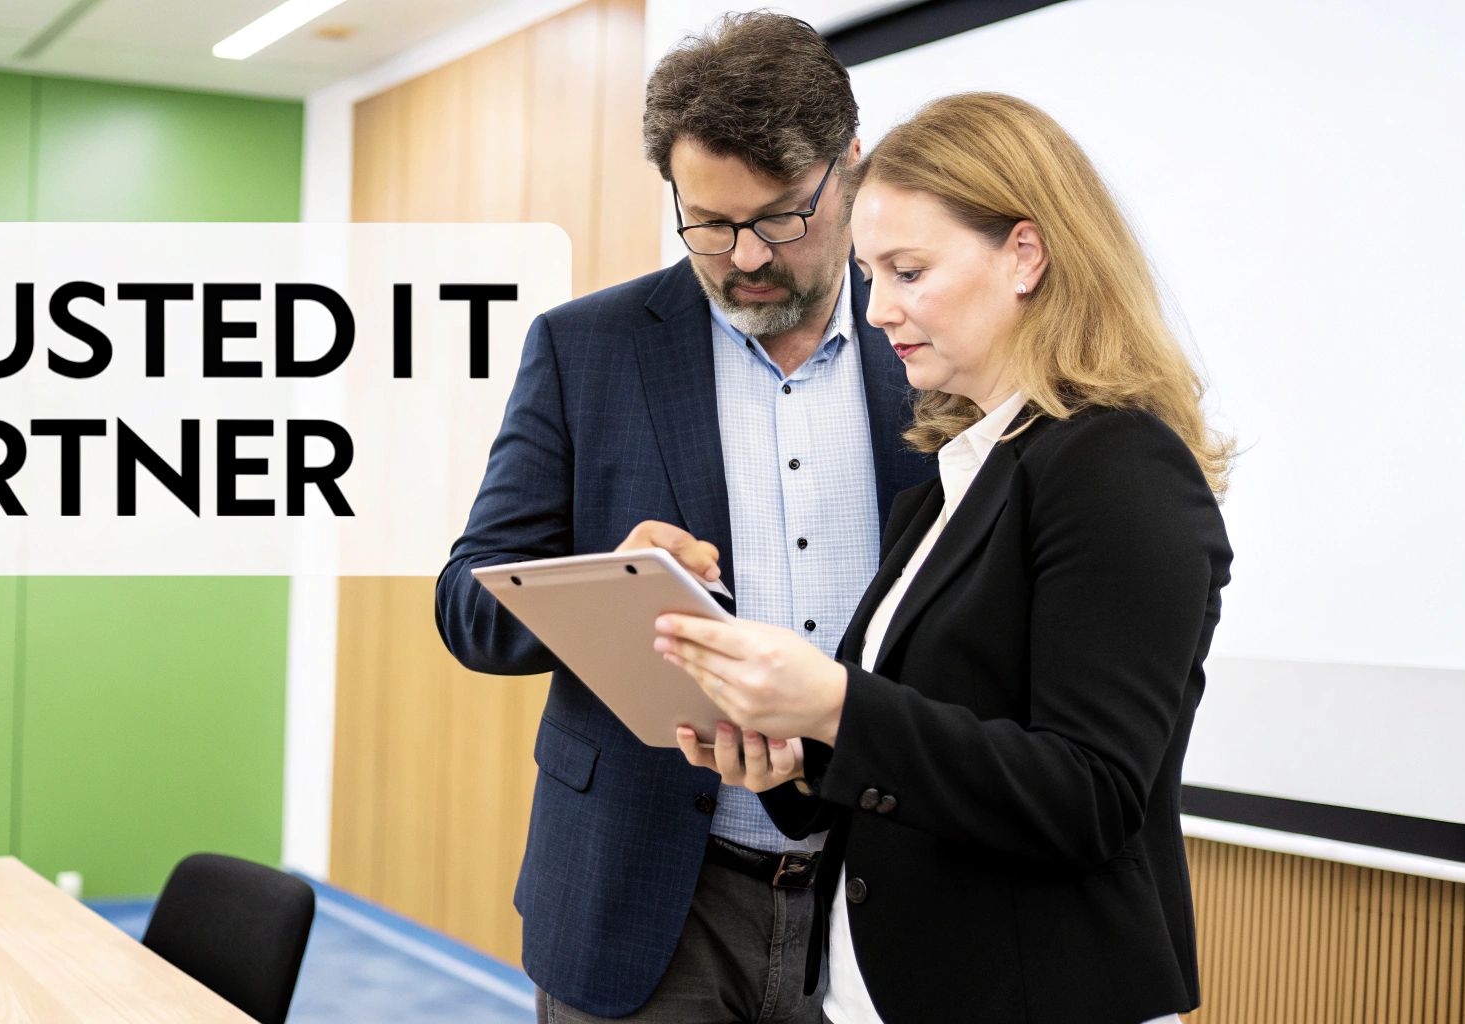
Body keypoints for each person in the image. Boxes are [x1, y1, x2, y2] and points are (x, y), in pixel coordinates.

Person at [657, 92, 1234, 1023]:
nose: (878, 309)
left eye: (908, 271)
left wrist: (834, 703)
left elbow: (1088, 795)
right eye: (870, 274)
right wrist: (792, 754)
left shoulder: (1117, 463)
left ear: (1025, 254)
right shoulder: (948, 482)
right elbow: (932, 743)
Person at [434, 13, 933, 1023]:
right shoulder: (588, 348)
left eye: (780, 217)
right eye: (706, 220)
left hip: (878, 894)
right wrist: (596, 585)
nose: (743, 256)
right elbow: (467, 600)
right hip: (641, 898)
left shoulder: (930, 350)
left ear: (849, 168)